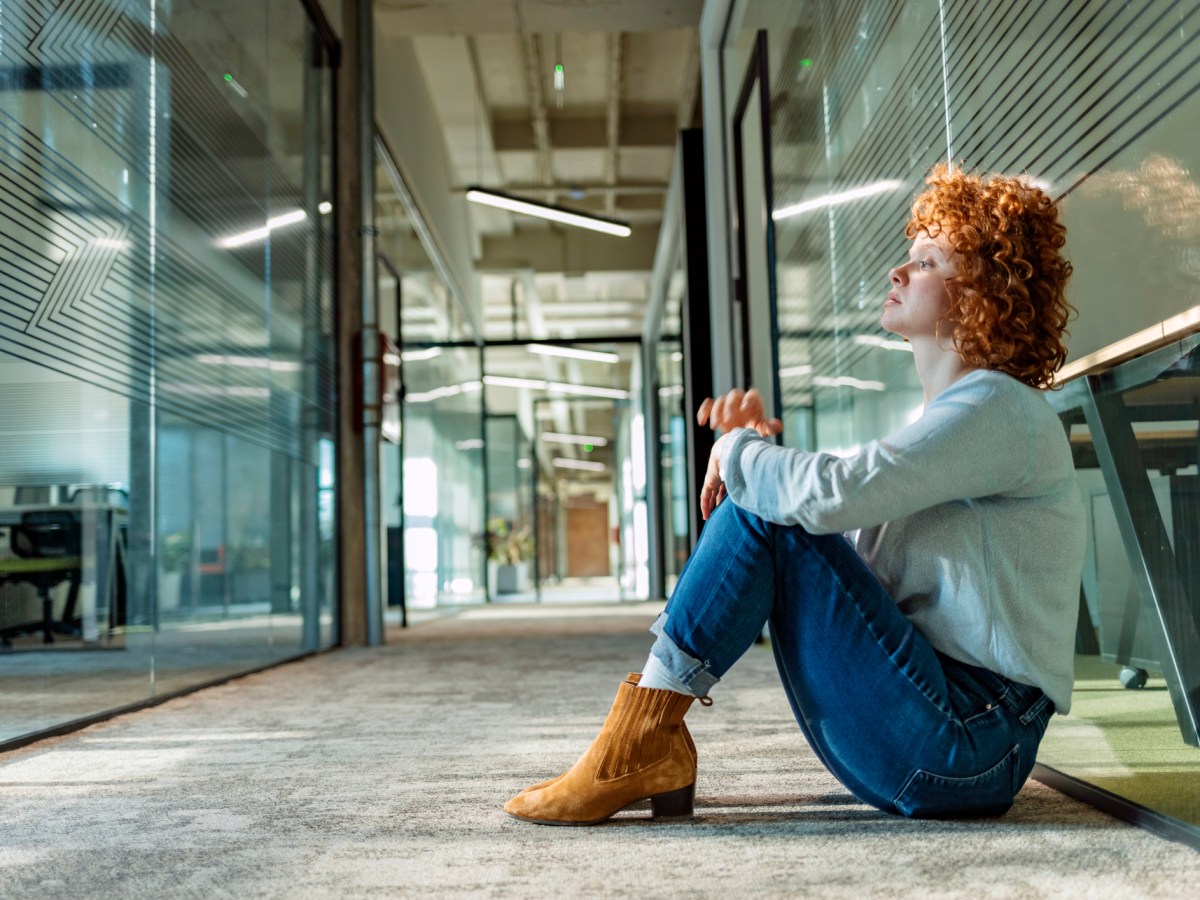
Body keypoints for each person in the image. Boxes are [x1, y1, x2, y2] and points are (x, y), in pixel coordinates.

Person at [504, 163, 1085, 826]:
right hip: (947, 732)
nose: (898, 272)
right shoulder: (955, 421)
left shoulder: (998, 409)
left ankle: (640, 740)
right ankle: (645, 739)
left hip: (970, 744)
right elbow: (842, 530)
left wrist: (745, 456)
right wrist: (758, 455)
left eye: (927, 262)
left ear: (986, 291)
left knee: (768, 503)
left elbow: (833, 494)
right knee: (770, 501)